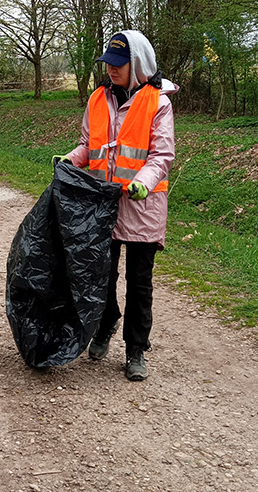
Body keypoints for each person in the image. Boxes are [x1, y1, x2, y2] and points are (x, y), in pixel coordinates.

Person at [57, 31, 178, 381]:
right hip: (103, 206)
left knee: (139, 283)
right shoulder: (97, 99)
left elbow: (162, 155)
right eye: (108, 63)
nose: (111, 70)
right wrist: (71, 159)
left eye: (118, 64)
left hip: (143, 207)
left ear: (136, 64)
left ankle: (136, 348)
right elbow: (88, 144)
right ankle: (105, 323)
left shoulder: (158, 103)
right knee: (101, 275)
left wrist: (144, 181)